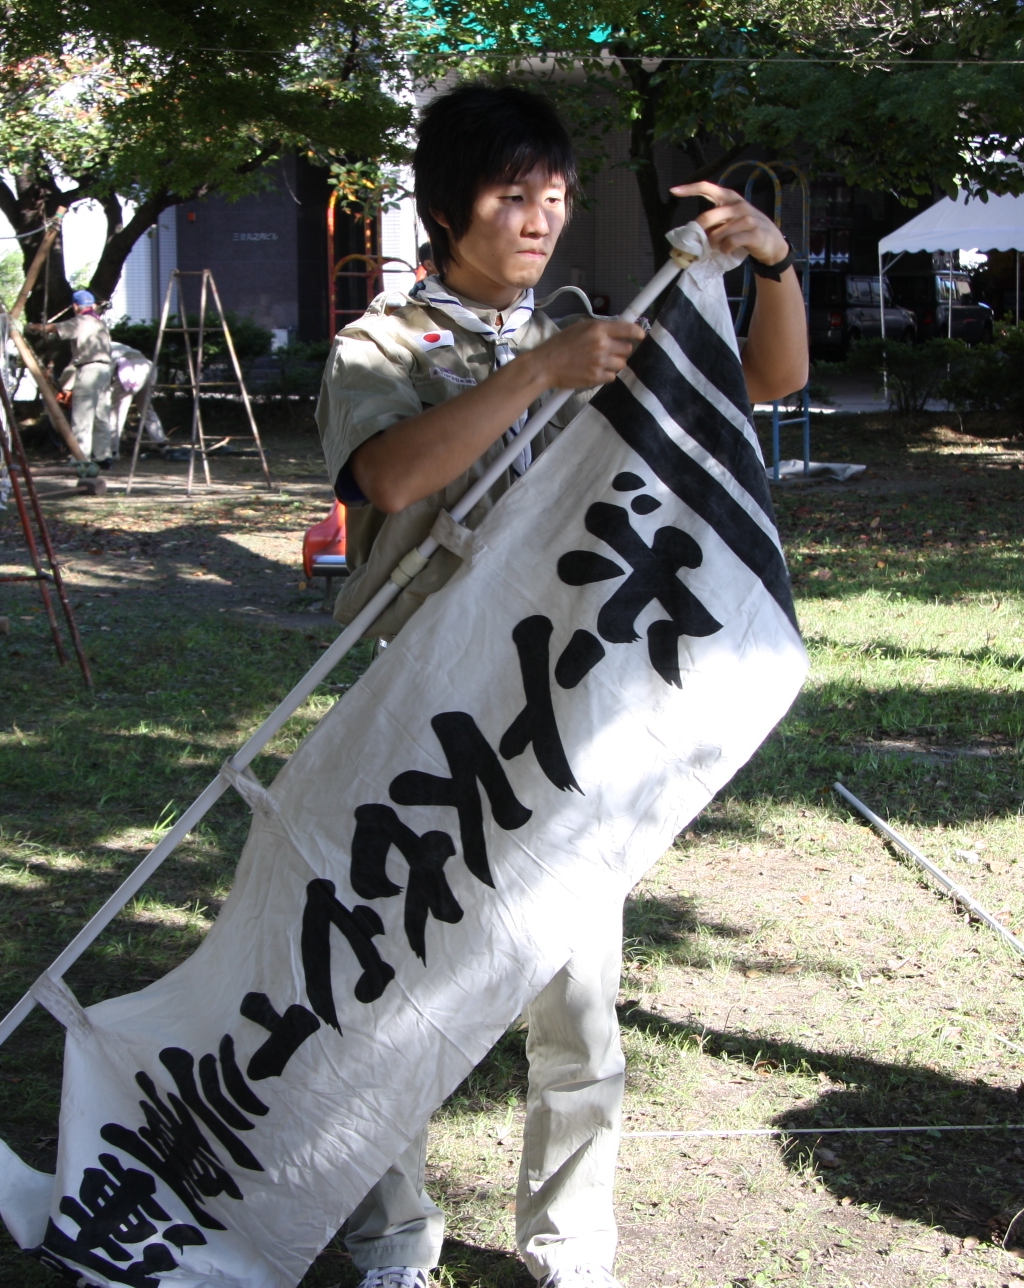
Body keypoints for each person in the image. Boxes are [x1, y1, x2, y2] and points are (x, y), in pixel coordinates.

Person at [316, 85, 807, 1288]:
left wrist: (774, 265)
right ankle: (390, 1237)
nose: (539, 219)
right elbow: (386, 478)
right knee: (393, 992)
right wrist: (536, 374)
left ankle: (571, 1245)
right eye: (510, 195)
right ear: (446, 208)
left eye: (555, 196)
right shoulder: (386, 342)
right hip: (425, 707)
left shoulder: (594, 331)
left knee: (579, 1003)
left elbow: (770, 381)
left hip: (565, 710)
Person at [56, 290, 116, 465]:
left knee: (82, 415)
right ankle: (104, 456)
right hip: (105, 369)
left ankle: (80, 457)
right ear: (93, 305)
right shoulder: (100, 322)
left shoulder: (81, 321)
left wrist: (37, 328)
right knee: (101, 414)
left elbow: (56, 328)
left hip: (88, 369)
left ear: (75, 306)